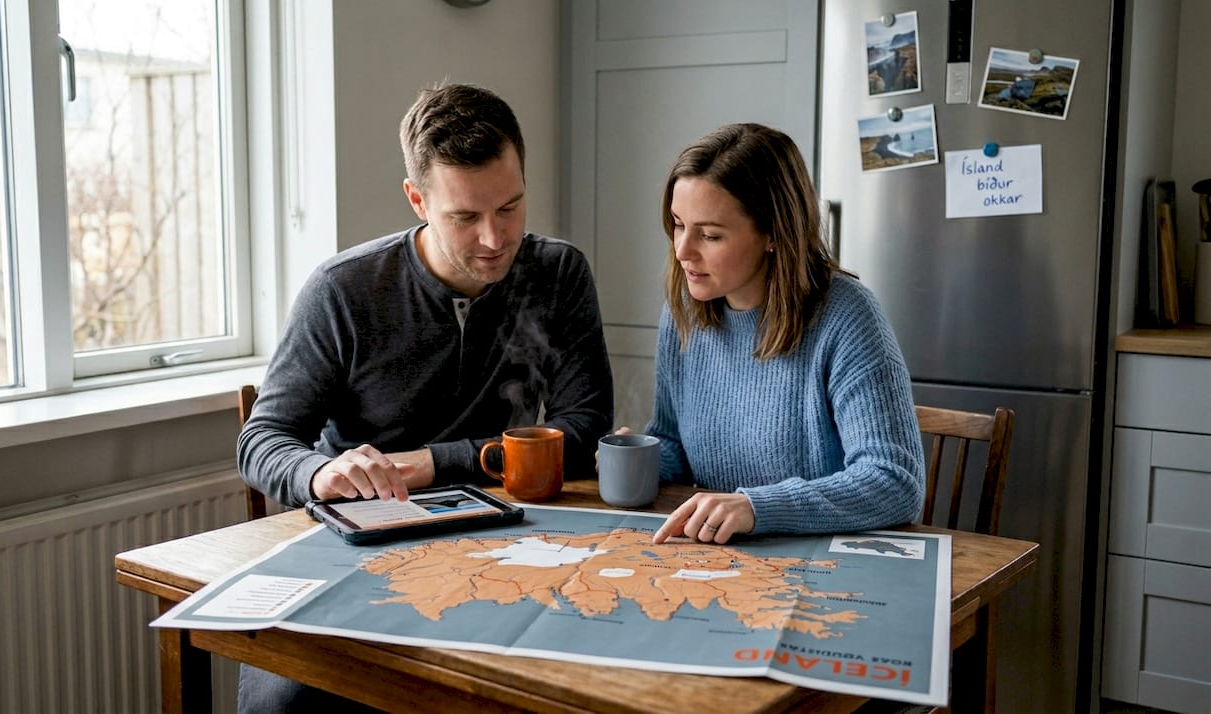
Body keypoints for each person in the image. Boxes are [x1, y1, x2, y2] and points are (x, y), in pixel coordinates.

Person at [235, 82, 614, 713]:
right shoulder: (343, 291)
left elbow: (585, 430)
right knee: (290, 702)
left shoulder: (558, 273)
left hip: (508, 542)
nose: (495, 239)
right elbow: (261, 440)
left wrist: (435, 463)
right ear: (418, 200)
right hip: (364, 546)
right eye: (465, 217)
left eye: (511, 207)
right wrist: (323, 471)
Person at [641, 123, 924, 545]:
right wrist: (640, 456)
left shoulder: (846, 316)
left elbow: (894, 482)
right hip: (715, 557)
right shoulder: (684, 308)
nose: (683, 250)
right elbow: (674, 445)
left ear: (773, 233)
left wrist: (756, 507)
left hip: (824, 567)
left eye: (710, 234)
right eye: (679, 225)